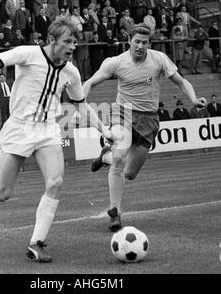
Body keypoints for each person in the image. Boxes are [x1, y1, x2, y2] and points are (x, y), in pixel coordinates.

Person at [0, 17, 116, 263]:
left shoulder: (71, 72)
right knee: (4, 192)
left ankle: (36, 243)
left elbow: (81, 105)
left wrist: (104, 130)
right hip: (19, 128)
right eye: (67, 41)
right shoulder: (28, 54)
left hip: (48, 130)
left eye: (75, 42)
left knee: (55, 182)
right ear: (52, 40)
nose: (72, 46)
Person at [82, 24, 205, 232]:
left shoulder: (159, 59)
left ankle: (105, 157)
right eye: (137, 41)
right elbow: (90, 83)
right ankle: (115, 213)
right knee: (120, 159)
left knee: (129, 173)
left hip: (149, 119)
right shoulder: (115, 62)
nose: (140, 46)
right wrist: (80, 99)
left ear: (150, 43)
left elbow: (181, 82)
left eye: (144, 42)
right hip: (123, 113)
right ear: (129, 40)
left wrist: (193, 98)